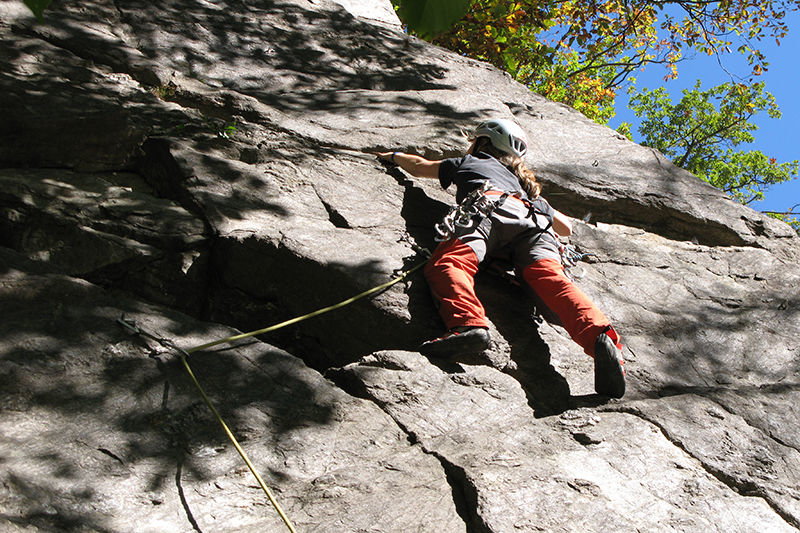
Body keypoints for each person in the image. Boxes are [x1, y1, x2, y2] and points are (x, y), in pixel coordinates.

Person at [377, 118, 626, 398]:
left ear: (483, 142)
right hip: (535, 223)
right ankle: (600, 337)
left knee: (450, 263)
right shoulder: (527, 189)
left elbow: (419, 167)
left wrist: (392, 156)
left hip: (490, 209)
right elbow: (565, 227)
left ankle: (468, 325)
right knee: (552, 281)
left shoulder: (473, 162)